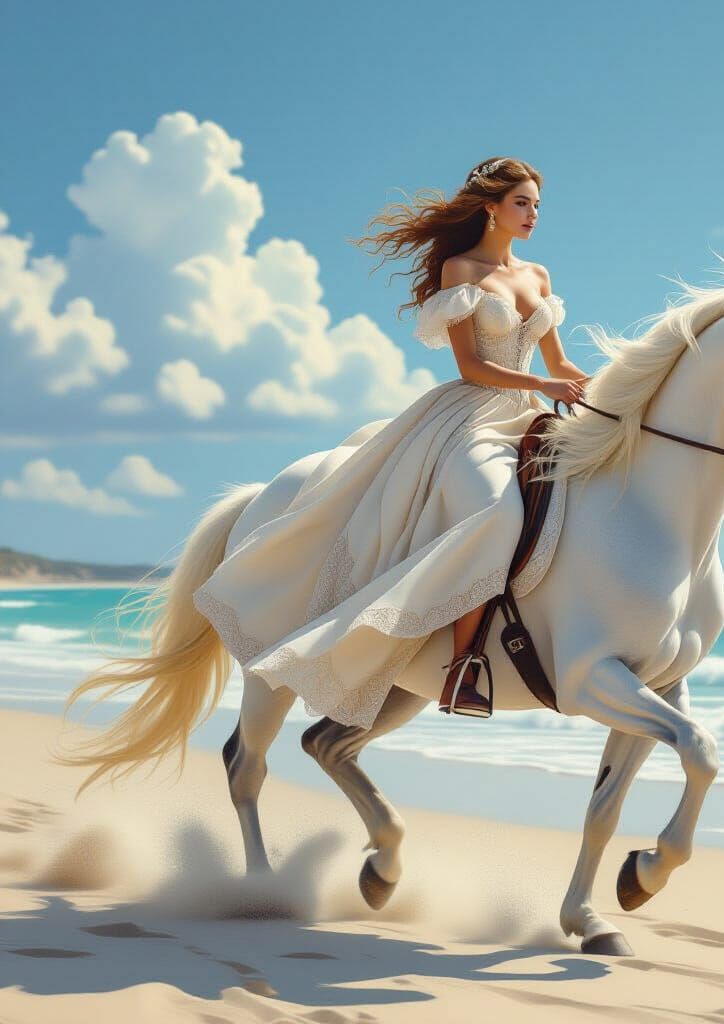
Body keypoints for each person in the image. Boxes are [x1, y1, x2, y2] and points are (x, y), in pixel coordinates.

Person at [192, 156, 590, 727]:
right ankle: (464, 664)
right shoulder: (462, 271)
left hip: (527, 414)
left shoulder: (540, 277)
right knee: (496, 514)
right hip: (471, 417)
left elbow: (560, 361)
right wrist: (543, 383)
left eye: (536, 205)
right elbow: (473, 366)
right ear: (491, 209)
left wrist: (597, 387)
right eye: (522, 203)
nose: (532, 215)